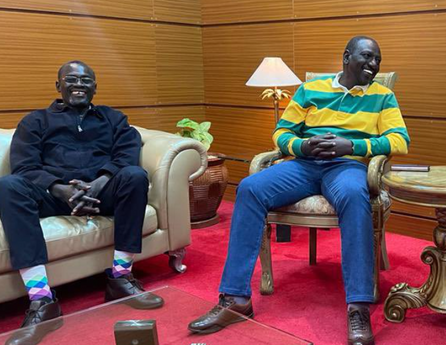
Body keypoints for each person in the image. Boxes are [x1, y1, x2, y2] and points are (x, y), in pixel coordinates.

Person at [188, 36, 409, 345]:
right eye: (368, 57)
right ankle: (235, 299)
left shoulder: (383, 96)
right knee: (250, 188)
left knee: (355, 197)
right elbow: (282, 132)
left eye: (378, 61)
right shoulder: (309, 91)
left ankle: (358, 306)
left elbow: (400, 140)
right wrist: (302, 145)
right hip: (304, 165)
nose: (374, 65)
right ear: (346, 57)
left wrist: (354, 145)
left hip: (348, 166)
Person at [0, 61, 162, 345]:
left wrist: (98, 184)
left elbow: (127, 154)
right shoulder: (35, 121)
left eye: (86, 80)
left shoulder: (113, 119)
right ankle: (42, 300)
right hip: (53, 196)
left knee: (135, 176)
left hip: (102, 192)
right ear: (58, 85)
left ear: (95, 87)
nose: (78, 85)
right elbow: (24, 166)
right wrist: (61, 189)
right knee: (8, 185)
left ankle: (120, 278)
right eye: (71, 79)